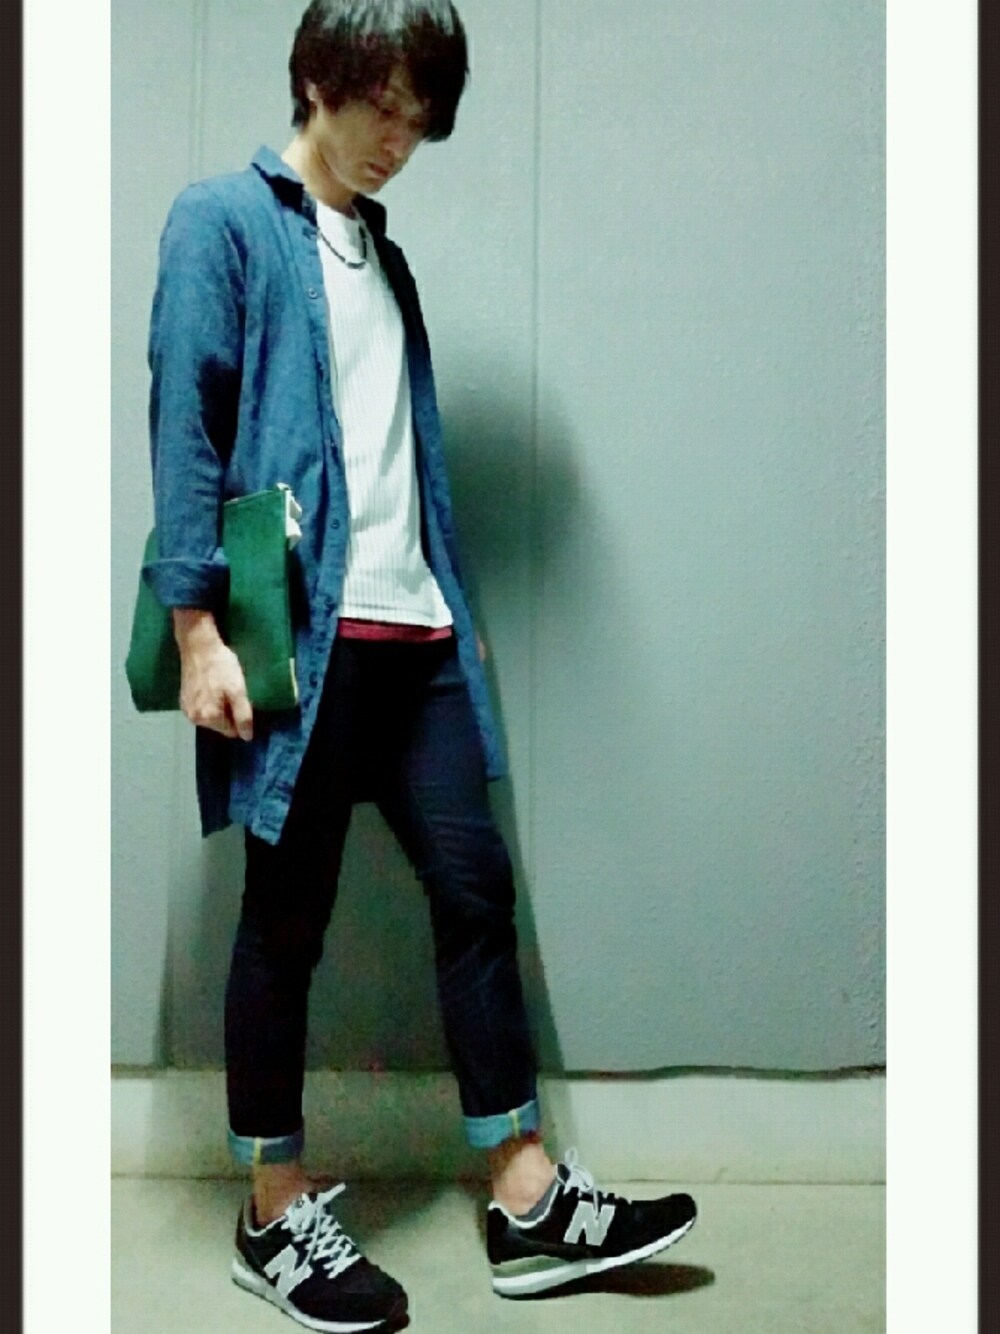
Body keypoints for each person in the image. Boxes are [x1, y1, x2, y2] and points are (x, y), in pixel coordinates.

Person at [143, 1, 697, 1329]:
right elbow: (186, 428)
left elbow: (398, 448)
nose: (399, 138)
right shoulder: (223, 223)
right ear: (316, 79)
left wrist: (444, 582)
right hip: (309, 641)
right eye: (381, 104)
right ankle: (272, 1210)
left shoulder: (384, 258)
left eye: (419, 116)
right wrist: (198, 630)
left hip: (420, 639)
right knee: (287, 917)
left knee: (474, 889)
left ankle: (524, 1194)